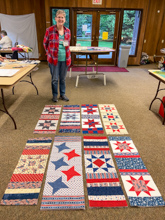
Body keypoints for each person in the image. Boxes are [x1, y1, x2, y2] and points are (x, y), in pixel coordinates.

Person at [43, 10, 71, 102]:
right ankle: (55, 95)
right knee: (55, 79)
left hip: (65, 59)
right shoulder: (49, 30)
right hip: (54, 59)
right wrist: (49, 54)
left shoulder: (67, 31)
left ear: (64, 19)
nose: (60, 19)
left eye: (62, 17)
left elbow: (67, 45)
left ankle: (62, 94)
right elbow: (45, 43)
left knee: (62, 79)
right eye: (59, 17)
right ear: (55, 18)